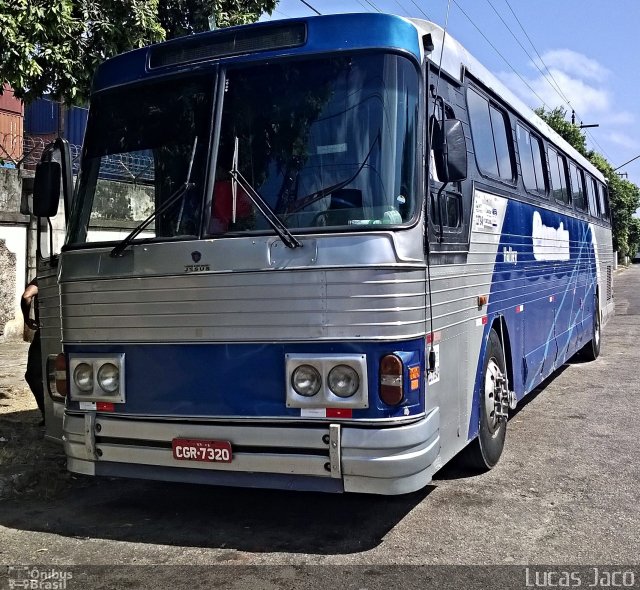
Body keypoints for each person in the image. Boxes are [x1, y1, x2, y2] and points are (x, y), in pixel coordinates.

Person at [21, 278, 44, 424]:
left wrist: (26, 319)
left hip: (48, 330)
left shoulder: (46, 274)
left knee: (33, 375)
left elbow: (26, 295)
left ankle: (47, 414)